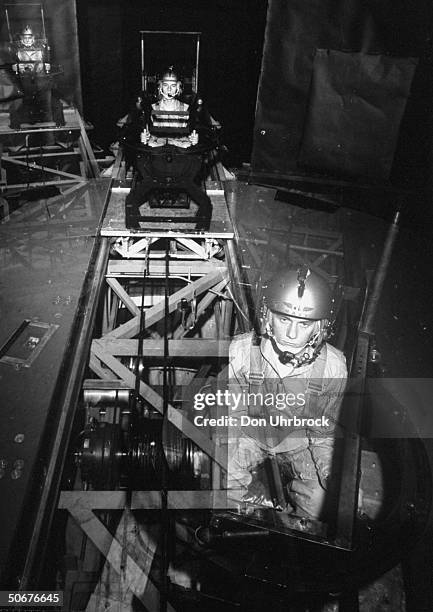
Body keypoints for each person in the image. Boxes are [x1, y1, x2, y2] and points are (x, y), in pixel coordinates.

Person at [227, 266, 347, 521]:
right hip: (254, 434)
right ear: (267, 316)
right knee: (221, 479)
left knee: (323, 503)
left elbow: (323, 434)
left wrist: (331, 475)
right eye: (284, 320)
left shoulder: (333, 366)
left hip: (301, 442)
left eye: (304, 324)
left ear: (319, 328)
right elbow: (233, 416)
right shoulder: (242, 351)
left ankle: (291, 531)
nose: (292, 334)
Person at [140, 67, 198, 148]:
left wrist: (194, 139)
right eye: (165, 85)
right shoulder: (152, 108)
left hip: (180, 150)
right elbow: (147, 133)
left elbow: (192, 133)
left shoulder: (187, 109)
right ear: (160, 87)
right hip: (158, 149)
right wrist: (145, 137)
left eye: (173, 86)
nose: (169, 89)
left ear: (178, 87)